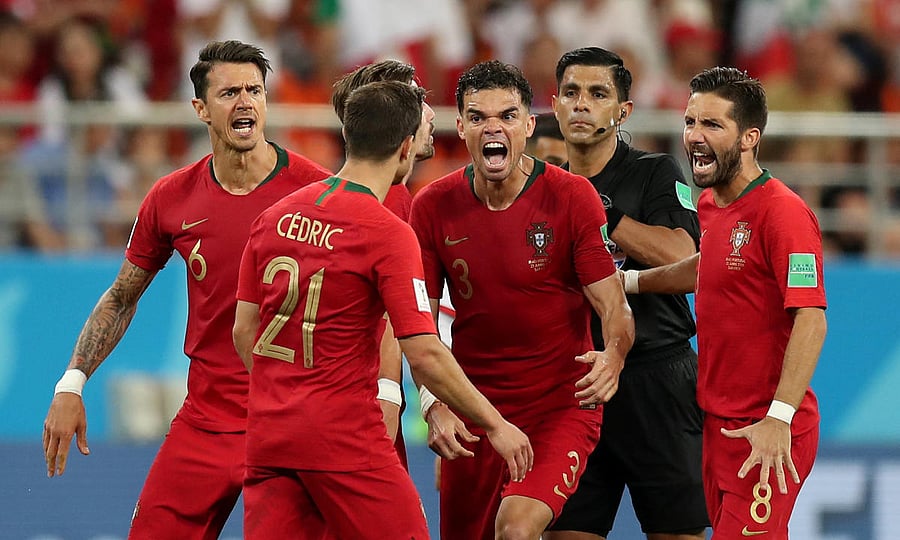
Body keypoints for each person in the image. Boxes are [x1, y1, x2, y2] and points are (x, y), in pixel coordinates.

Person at [41, 40, 332, 539]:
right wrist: (72, 383)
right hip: (208, 419)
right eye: (229, 93)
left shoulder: (319, 193)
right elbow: (121, 296)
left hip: (294, 424)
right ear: (200, 108)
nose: (245, 102)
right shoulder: (171, 197)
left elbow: (375, 301)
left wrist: (386, 394)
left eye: (254, 90)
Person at [233, 80, 532, 540]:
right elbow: (425, 353)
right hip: (345, 440)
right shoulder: (387, 232)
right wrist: (496, 424)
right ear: (407, 145)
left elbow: (244, 329)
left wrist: (286, 395)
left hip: (270, 434)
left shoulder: (274, 216)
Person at [409, 60, 635, 540]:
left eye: (508, 116)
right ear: (461, 127)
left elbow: (613, 305)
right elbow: (418, 323)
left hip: (559, 405)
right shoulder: (430, 205)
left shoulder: (573, 197)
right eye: (479, 117)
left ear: (529, 125)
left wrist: (614, 354)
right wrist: (434, 404)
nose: (494, 128)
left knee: (515, 529)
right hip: (473, 409)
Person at [625, 67, 827, 539]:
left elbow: (811, 320)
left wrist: (779, 418)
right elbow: (704, 267)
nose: (694, 136)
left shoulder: (783, 214)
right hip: (717, 424)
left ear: (749, 137)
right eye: (691, 121)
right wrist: (629, 282)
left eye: (712, 125)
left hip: (766, 430)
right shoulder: (713, 205)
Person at [545, 47, 709, 540]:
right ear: (554, 105)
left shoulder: (655, 172)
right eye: (571, 93)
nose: (581, 104)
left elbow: (685, 255)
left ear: (623, 111)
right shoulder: (537, 189)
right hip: (574, 383)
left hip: (657, 378)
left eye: (598, 94)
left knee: (676, 533)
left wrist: (601, 215)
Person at [329, 60, 437, 458]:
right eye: (416, 99)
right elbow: (388, 317)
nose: (428, 112)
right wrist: (389, 394)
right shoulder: (384, 208)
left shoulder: (399, 200)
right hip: (361, 409)